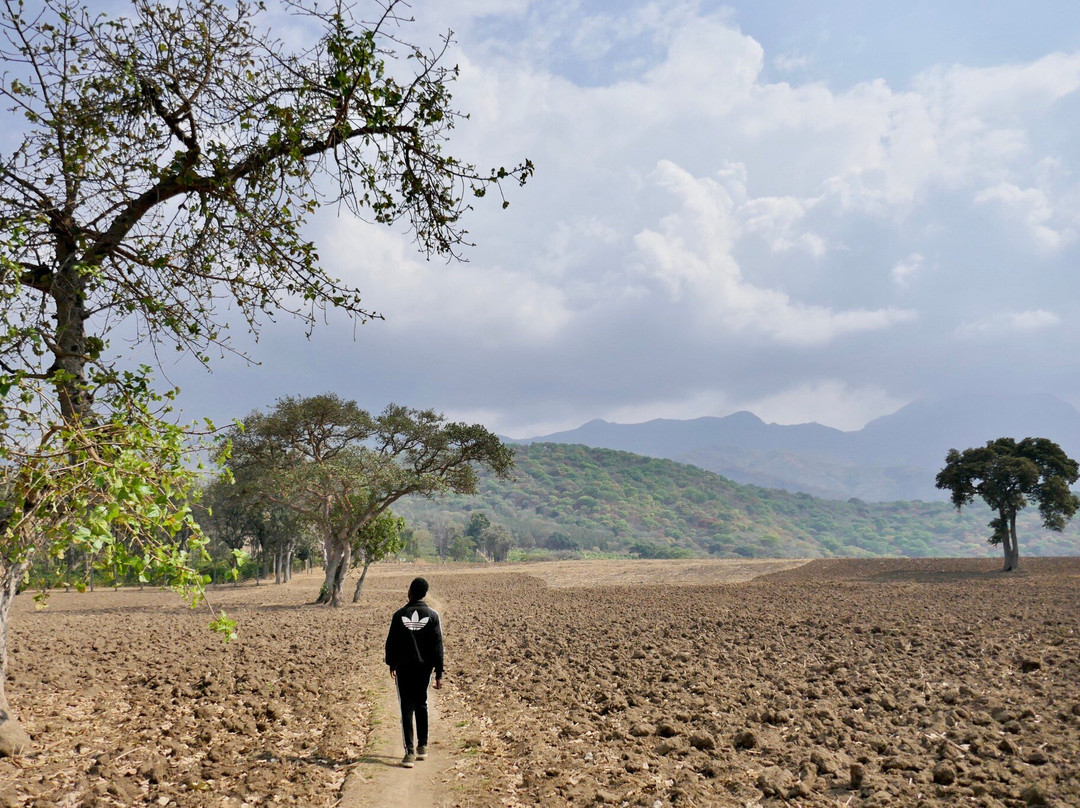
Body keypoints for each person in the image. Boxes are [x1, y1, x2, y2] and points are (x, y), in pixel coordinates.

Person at [384, 576, 444, 768]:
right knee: (422, 703)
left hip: (404, 668)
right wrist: (439, 673)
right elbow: (438, 647)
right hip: (424, 669)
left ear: (410, 592)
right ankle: (423, 747)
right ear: (425, 594)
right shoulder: (433, 616)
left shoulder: (399, 615)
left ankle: (409, 752)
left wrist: (392, 664)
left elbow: (391, 643)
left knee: (406, 707)